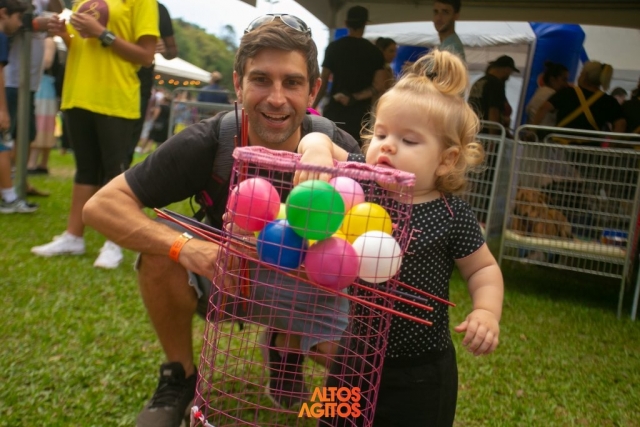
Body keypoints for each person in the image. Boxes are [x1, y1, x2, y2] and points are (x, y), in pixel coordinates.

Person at [82, 15, 361, 427]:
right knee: (160, 251)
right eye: (261, 79)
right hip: (228, 279)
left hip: (309, 289)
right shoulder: (211, 140)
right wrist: (187, 248)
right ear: (238, 83)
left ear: (313, 89)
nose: (277, 98)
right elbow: (101, 206)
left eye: (292, 82)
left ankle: (287, 346)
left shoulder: (338, 149)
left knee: (360, 361)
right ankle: (180, 376)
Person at [299, 49, 504, 427]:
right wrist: (315, 147)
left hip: (421, 372)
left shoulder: (452, 215)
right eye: (380, 134)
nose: (387, 145)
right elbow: (320, 141)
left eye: (408, 140)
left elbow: (483, 269)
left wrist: (486, 311)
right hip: (353, 356)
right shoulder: (362, 184)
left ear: (446, 159)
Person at [30, 0, 159, 270]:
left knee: (115, 173)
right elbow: (81, 46)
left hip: (115, 97)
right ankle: (73, 236)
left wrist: (102, 33)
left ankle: (114, 242)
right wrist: (64, 35)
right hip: (78, 93)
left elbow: (146, 56)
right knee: (85, 170)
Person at [313, 5, 386, 145]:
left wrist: (312, 105)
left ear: (346, 23)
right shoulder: (375, 52)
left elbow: (323, 80)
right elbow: (379, 86)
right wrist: (353, 97)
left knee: (328, 148)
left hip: (334, 111)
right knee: (353, 153)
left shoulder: (333, 48)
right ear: (365, 24)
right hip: (360, 116)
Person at [127, 0, 177, 169]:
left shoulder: (158, 9)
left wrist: (164, 48)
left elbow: (172, 51)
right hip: (109, 75)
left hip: (140, 80)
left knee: (130, 133)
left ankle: (120, 171)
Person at [0, 0, 35, 213]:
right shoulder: (1, 37)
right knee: (3, 148)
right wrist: (3, 110)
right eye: (19, 18)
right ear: (4, 13)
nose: (21, 24)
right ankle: (9, 197)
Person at [532, 61, 626, 134]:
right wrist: (611, 146)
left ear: (585, 76)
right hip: (590, 149)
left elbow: (544, 108)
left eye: (581, 73)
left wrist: (532, 130)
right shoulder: (609, 101)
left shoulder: (566, 93)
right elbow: (621, 124)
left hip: (562, 144)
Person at [27, 36, 59, 175]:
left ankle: (33, 163)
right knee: (44, 124)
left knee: (41, 124)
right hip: (44, 86)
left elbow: (47, 62)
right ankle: (40, 163)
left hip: (43, 86)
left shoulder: (47, 41)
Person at [468, 55, 519, 134]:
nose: (509, 76)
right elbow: (494, 111)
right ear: (507, 69)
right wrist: (493, 135)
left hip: (473, 128)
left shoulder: (479, 81)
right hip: (486, 132)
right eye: (510, 72)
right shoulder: (496, 84)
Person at [526, 61, 569, 126]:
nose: (566, 84)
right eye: (564, 80)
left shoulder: (540, 92)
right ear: (552, 80)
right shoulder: (552, 95)